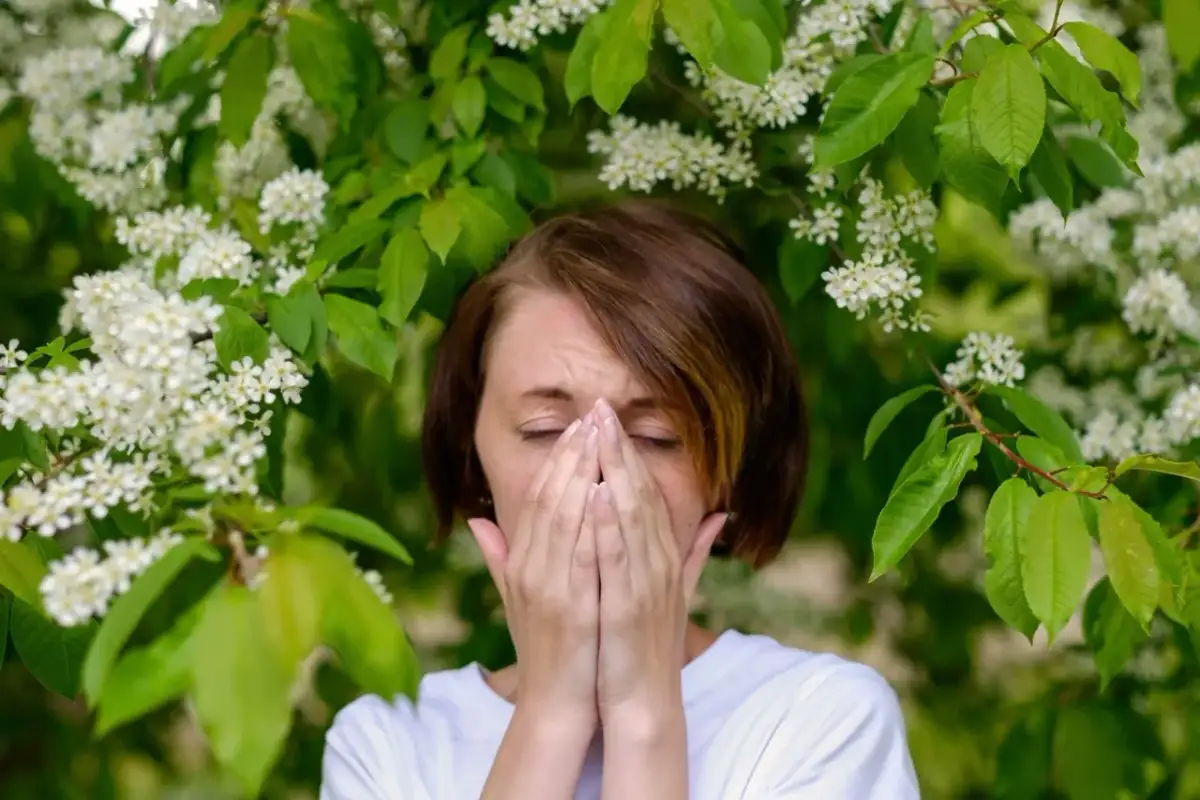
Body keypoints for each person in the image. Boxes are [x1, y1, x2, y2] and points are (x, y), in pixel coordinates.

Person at [319, 201, 920, 799]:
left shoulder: (820, 724)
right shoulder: (388, 750)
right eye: (545, 429)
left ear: (729, 473)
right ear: (472, 453)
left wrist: (643, 716)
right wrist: (549, 716)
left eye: (657, 437)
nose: (600, 478)